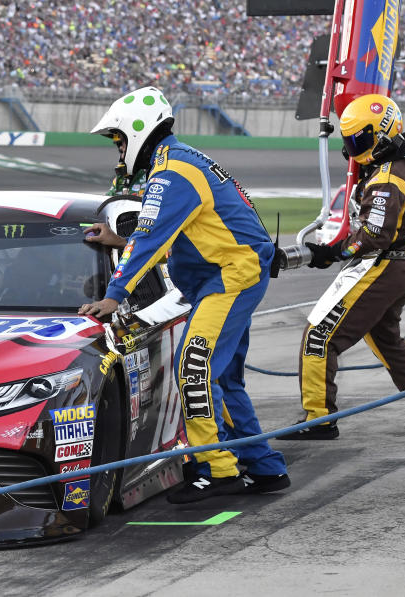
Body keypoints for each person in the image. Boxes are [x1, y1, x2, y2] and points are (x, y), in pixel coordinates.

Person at [79, 86, 289, 503]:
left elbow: (152, 234)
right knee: (222, 377)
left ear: (138, 132)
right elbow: (179, 231)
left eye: (119, 141)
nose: (119, 153)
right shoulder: (181, 162)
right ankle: (263, 465)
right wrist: (122, 239)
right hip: (233, 273)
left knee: (193, 366)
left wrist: (114, 295)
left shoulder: (172, 171)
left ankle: (218, 468)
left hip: (229, 277)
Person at [278, 94, 405, 439]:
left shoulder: (387, 180)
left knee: (319, 336)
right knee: (385, 338)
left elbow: (374, 235)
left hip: (384, 265)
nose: (352, 149)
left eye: (359, 141)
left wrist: (333, 252)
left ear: (382, 135)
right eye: (348, 141)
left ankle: (319, 418)